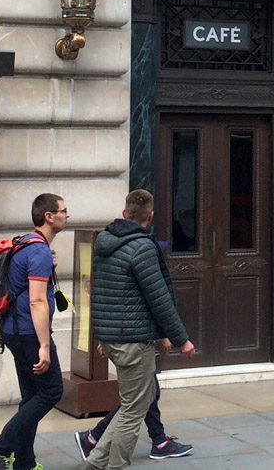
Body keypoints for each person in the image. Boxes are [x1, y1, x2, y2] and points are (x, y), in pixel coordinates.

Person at [87, 189, 195, 470]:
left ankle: (96, 463)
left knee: (133, 403)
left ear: (124, 214)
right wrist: (181, 339)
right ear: (151, 216)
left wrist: (103, 335)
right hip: (133, 340)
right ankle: (115, 465)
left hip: (113, 337)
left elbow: (98, 291)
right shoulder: (143, 247)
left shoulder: (103, 242)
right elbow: (159, 298)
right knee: (132, 411)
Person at [0, 194, 69, 470]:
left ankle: (25, 463)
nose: (68, 215)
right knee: (52, 391)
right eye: (64, 211)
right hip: (29, 334)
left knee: (31, 396)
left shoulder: (26, 245)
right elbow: (37, 301)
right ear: (48, 217)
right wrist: (44, 345)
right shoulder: (38, 250)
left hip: (13, 331)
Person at [74, 342, 191, 460]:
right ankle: (93, 438)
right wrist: (176, 339)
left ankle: (159, 441)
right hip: (135, 345)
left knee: (146, 394)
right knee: (140, 397)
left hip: (134, 343)